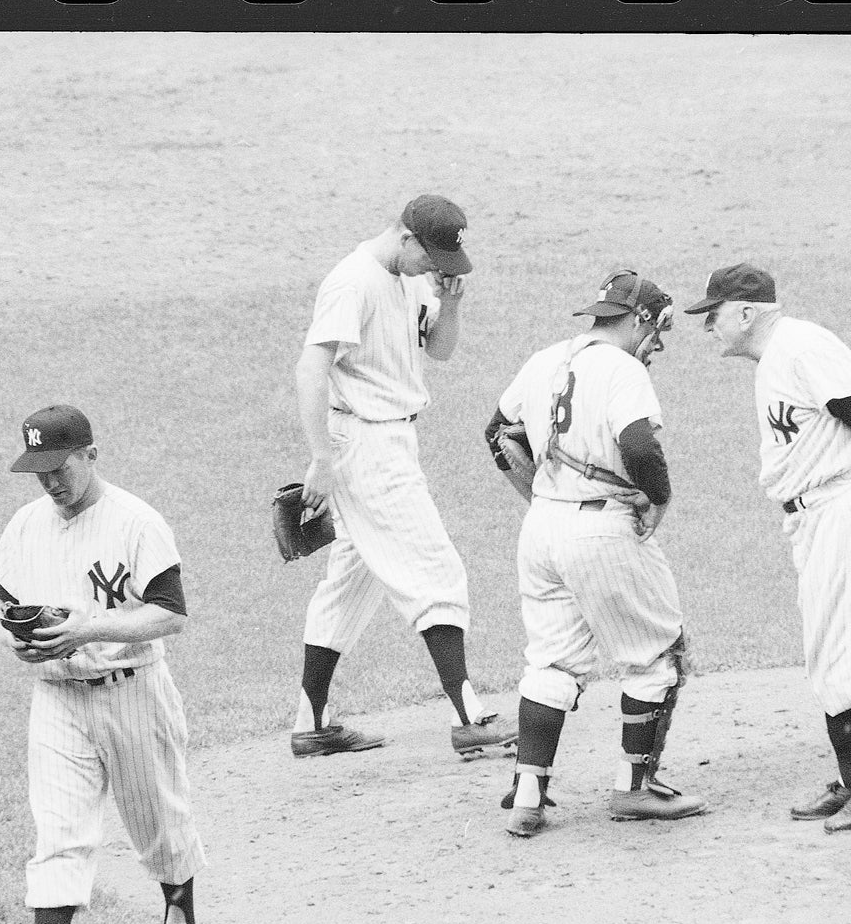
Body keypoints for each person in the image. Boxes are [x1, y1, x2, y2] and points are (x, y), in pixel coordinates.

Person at [689, 266, 851, 830]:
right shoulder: (776, 359)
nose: (708, 326)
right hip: (818, 514)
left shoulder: (801, 345)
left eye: (714, 313)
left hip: (846, 506)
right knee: (826, 651)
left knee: (845, 649)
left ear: (747, 312)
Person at [285, 197, 506, 758]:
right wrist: (321, 459)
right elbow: (311, 367)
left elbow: (440, 350)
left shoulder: (412, 281)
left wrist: (451, 306)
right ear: (404, 237)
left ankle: (312, 723)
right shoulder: (352, 282)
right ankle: (469, 716)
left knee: (350, 583)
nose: (433, 269)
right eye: (428, 257)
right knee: (436, 570)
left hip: (389, 439)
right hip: (365, 444)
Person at [0, 406, 208, 924]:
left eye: (59, 467)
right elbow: (5, 609)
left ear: (91, 454)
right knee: (58, 833)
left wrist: (88, 628)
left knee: (158, 821)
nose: (50, 481)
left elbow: (170, 615)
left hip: (132, 689)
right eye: (39, 471)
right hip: (57, 696)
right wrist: (16, 639)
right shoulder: (25, 526)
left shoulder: (136, 522)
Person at [482, 273, 699, 835]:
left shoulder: (544, 359)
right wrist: (659, 499)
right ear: (639, 321)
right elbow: (637, 444)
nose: (661, 344)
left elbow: (496, 432)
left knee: (551, 662)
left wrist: (537, 493)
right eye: (660, 329)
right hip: (602, 532)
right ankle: (636, 790)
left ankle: (528, 796)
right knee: (658, 655)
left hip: (542, 531)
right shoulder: (623, 370)